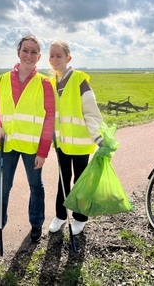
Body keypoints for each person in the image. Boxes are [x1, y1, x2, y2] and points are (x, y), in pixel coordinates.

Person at [0, 34, 55, 245]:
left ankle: (36, 223)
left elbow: (50, 118)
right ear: (19, 52)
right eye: (26, 50)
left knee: (36, 186)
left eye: (34, 52)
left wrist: (43, 152)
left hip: (32, 147)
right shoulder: (2, 80)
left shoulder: (44, 83)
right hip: (6, 144)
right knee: (2, 187)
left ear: (39, 56)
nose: (29, 55)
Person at [47, 40, 103, 235]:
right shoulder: (52, 82)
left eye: (58, 56)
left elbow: (91, 111)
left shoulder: (79, 79)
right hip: (61, 144)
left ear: (68, 58)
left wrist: (98, 138)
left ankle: (80, 218)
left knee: (80, 181)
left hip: (80, 144)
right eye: (51, 56)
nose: (54, 59)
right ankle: (60, 216)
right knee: (63, 179)